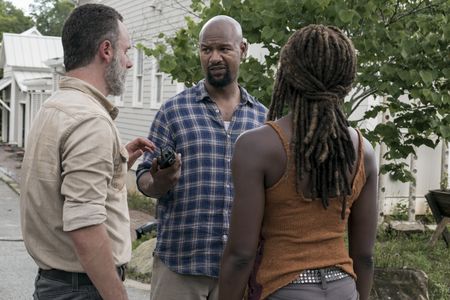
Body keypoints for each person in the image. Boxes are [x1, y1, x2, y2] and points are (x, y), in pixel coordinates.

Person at [219, 24, 378, 300]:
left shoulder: (257, 146)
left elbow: (241, 255)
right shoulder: (363, 150)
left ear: (287, 75)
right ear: (346, 81)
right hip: (344, 287)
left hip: (284, 289)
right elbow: (364, 256)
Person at [20, 4, 155, 300]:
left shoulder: (55, 106)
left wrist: (119, 162)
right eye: (126, 51)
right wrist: (116, 295)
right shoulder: (90, 121)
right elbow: (85, 225)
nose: (129, 63)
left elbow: (60, 188)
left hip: (57, 284)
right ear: (106, 50)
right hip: (83, 289)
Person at [136, 15, 267, 300]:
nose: (214, 57)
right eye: (206, 50)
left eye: (224, 49)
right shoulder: (173, 112)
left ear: (242, 49)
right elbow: (144, 178)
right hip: (180, 268)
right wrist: (160, 182)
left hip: (239, 273)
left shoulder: (263, 119)